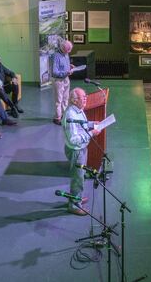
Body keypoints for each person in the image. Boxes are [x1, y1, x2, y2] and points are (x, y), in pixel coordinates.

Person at [62, 88, 101, 216]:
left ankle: (76, 198)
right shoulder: (70, 115)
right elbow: (73, 139)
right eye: (83, 97)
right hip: (76, 151)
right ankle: (74, 206)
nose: (85, 99)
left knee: (80, 175)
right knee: (77, 178)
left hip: (81, 148)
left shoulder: (77, 111)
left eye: (85, 96)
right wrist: (91, 133)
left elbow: (81, 125)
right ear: (74, 100)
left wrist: (91, 124)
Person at [51, 39, 74, 125]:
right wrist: (65, 72)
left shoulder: (66, 54)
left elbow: (64, 65)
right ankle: (57, 118)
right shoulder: (56, 56)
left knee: (65, 99)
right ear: (63, 48)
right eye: (67, 51)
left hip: (66, 79)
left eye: (69, 51)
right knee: (59, 100)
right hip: (59, 81)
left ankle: (64, 115)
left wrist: (69, 66)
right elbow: (54, 72)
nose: (68, 52)